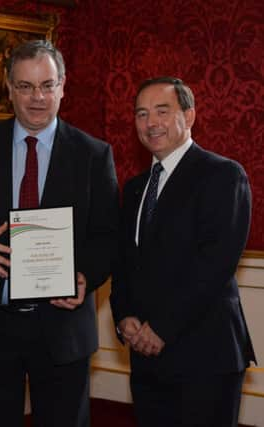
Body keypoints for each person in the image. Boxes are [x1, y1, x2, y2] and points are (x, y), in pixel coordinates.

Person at [0, 39, 119, 427]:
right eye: (25, 86)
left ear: (63, 86)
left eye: (47, 85)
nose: (37, 97)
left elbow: (107, 236)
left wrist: (86, 275)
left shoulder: (94, 155)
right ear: (8, 88)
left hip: (61, 328)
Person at [110, 76, 256, 427]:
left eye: (163, 111)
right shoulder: (134, 189)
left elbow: (214, 265)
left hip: (204, 356)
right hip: (147, 357)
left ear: (189, 116)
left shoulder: (223, 175)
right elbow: (126, 262)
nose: (150, 123)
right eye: (142, 114)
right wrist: (124, 315)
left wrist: (161, 328)